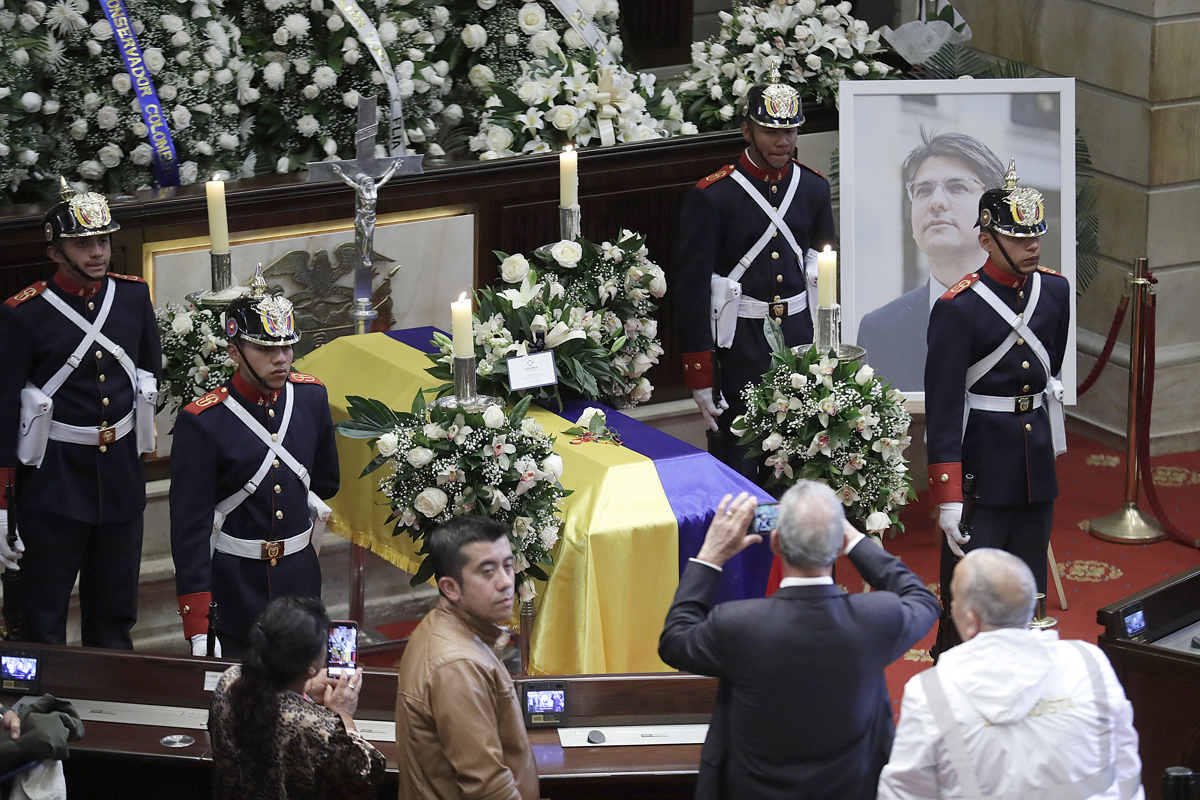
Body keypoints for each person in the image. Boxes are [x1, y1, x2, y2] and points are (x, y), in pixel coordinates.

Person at [658, 483, 939, 800]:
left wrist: (710, 554)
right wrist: (855, 540)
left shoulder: (737, 624)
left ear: (775, 542)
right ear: (837, 548)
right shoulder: (877, 618)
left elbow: (674, 641)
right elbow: (924, 601)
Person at [0, 179, 160, 647]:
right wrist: (2, 502)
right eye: (83, 243)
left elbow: (150, 374)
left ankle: (113, 706)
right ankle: (44, 714)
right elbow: (5, 411)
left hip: (119, 478)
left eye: (103, 241)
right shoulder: (22, 314)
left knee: (114, 615)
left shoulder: (132, 297)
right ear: (55, 252)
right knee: (43, 616)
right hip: (53, 482)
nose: (97, 252)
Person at [925, 160, 1071, 656]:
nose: (1032, 245)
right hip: (983, 465)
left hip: (1034, 462)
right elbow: (944, 406)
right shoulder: (957, 308)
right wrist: (947, 495)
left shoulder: (1055, 290)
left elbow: (1051, 364)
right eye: (1018, 236)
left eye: (1036, 235)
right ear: (987, 240)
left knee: (1029, 593)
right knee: (972, 591)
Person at [674, 67, 836, 482]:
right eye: (769, 131)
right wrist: (700, 375)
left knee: (802, 458)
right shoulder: (713, 195)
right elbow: (691, 290)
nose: (783, 142)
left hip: (800, 336)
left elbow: (823, 269)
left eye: (791, 131)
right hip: (739, 343)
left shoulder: (813, 188)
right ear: (746, 131)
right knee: (742, 462)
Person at [878, 548, 1144, 800]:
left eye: (954, 600)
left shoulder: (931, 692)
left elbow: (904, 792)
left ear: (971, 620)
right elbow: (1127, 766)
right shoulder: (1089, 662)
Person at [170, 274, 339, 657]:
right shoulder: (203, 421)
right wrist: (198, 623)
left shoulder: (311, 397)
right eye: (265, 349)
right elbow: (189, 529)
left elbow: (326, 481)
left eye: (287, 347)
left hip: (299, 580)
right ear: (234, 352)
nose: (281, 359)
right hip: (235, 588)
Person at [395, 516, 538, 800]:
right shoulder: (457, 666)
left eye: (508, 566)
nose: (506, 582)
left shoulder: (451, 627)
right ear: (450, 588)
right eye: (487, 571)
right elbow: (488, 789)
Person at [857, 131, 1005, 391]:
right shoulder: (878, 329)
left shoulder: (1032, 310)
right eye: (923, 190)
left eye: (957, 187)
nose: (936, 202)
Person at [208, 595, 385, 800]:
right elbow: (364, 777)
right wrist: (344, 715)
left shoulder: (229, 681)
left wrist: (305, 687)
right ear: (312, 663)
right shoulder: (315, 726)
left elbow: (270, 692)